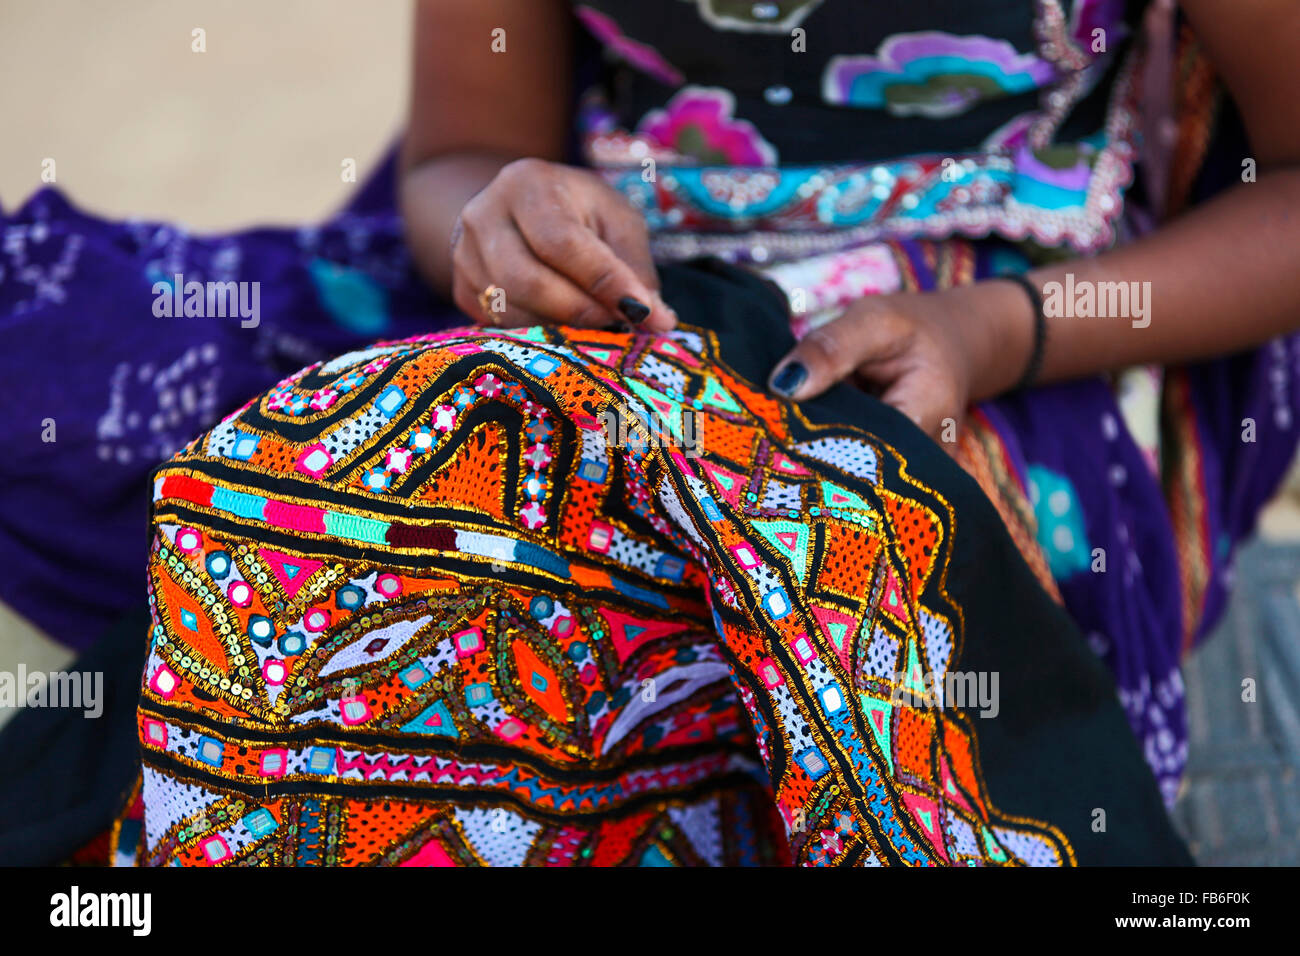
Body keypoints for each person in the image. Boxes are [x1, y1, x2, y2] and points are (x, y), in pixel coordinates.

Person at [3, 0, 1293, 865]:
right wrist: (502, 223)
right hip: (609, 262)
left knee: (818, 610)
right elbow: (465, 149)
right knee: (45, 352)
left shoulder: (991, 321)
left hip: (1002, 318)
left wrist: (994, 333)